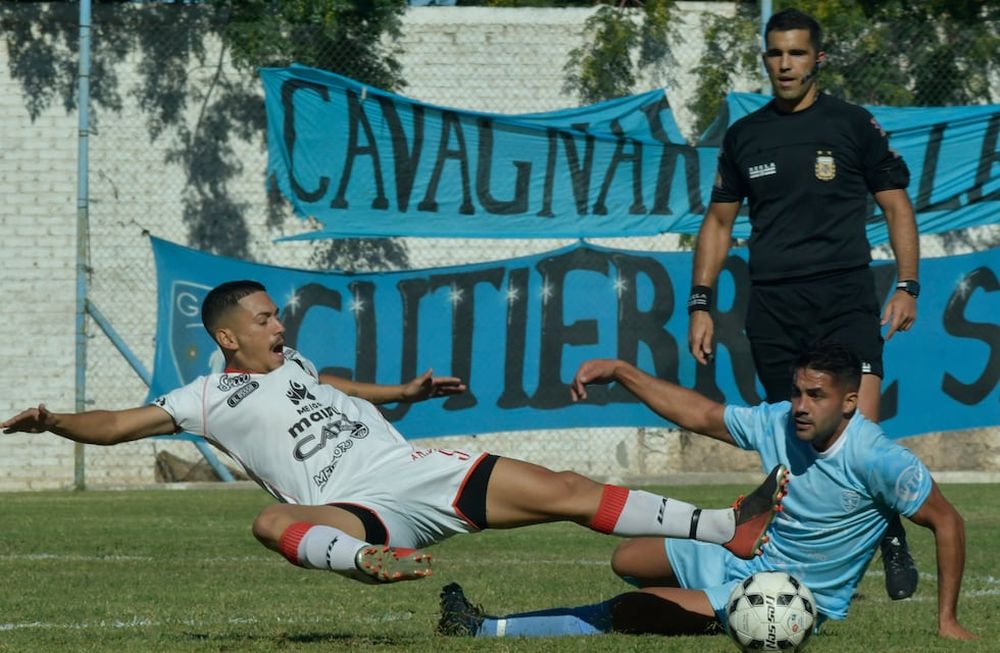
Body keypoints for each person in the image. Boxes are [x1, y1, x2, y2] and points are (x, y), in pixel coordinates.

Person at [2, 279, 788, 585]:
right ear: (230, 337)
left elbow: (333, 385)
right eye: (265, 317)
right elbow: (113, 423)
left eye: (277, 313)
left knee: (569, 490)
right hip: (352, 505)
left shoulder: (295, 361)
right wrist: (54, 421)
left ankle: (727, 527)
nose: (280, 323)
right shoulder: (205, 395)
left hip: (407, 466)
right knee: (269, 519)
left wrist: (402, 391)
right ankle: (369, 561)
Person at [437, 343, 975, 641]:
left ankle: (487, 628)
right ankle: (709, 588)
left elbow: (948, 522)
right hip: (747, 558)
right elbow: (700, 415)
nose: (802, 406)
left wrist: (946, 621)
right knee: (628, 557)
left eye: (817, 395)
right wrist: (624, 371)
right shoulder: (781, 422)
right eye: (797, 393)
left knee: (633, 609)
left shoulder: (879, 458)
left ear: (850, 403)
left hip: (789, 594)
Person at [686, 7, 920, 600]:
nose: (784, 64)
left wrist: (907, 283)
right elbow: (717, 224)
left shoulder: (853, 125)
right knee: (797, 438)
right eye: (775, 53)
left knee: (857, 430)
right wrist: (700, 303)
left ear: (818, 58)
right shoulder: (745, 136)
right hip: (774, 306)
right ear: (765, 58)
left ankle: (889, 531)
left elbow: (896, 206)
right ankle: (795, 557)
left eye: (796, 53)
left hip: (843, 296)